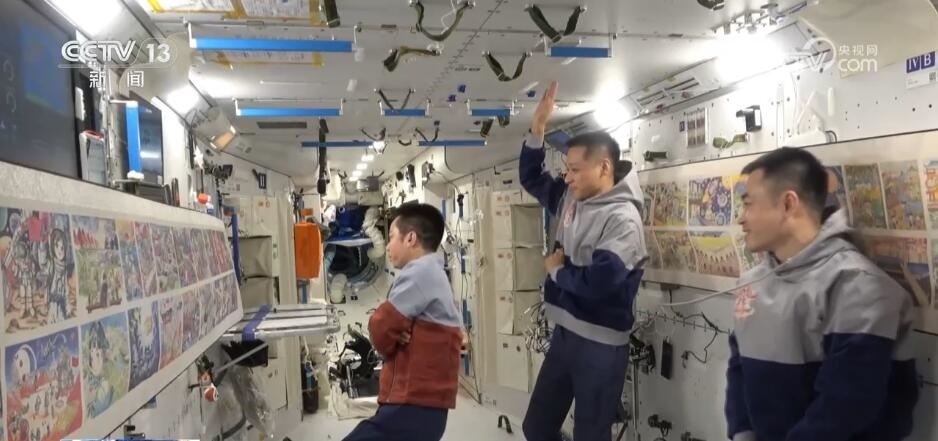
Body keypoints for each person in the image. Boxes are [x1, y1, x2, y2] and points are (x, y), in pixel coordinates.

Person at [726, 147, 918, 441]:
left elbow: (847, 404)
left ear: (788, 204)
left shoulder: (857, 285)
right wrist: (742, 433)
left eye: (749, 204)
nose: (741, 219)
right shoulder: (753, 283)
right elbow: (739, 368)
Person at [519, 81, 648, 441]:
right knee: (536, 428)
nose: (567, 176)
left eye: (575, 169)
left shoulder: (623, 220)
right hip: (566, 335)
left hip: (601, 344)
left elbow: (600, 283)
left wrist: (557, 271)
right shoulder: (571, 199)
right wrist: (537, 129)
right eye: (567, 168)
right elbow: (531, 177)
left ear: (604, 167)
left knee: (591, 435)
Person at [343, 203, 462, 441]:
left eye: (391, 237)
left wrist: (388, 330)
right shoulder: (433, 271)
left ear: (410, 238)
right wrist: (398, 330)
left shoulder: (419, 273)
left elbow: (380, 329)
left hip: (412, 404)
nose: (387, 246)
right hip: (422, 406)